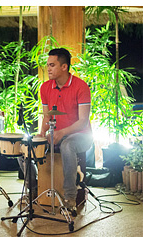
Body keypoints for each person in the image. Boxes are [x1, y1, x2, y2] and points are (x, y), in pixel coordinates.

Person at [36, 48, 92, 214]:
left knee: (67, 145)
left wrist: (62, 132)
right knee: (29, 145)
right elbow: (47, 117)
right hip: (57, 134)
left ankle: (70, 198)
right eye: (47, 65)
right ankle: (34, 188)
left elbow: (83, 122)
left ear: (64, 67)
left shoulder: (81, 87)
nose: (48, 68)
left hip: (82, 136)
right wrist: (40, 134)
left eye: (52, 65)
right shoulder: (45, 88)